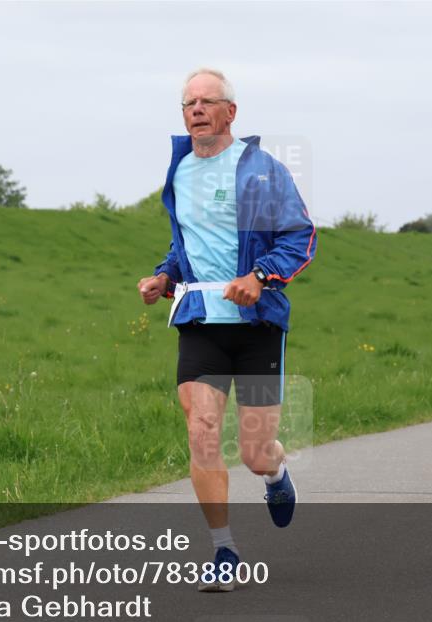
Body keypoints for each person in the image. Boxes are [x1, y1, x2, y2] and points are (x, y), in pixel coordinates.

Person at [137, 68, 316, 591]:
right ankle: (224, 550)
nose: (195, 110)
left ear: (229, 112)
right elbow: (187, 243)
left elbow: (300, 237)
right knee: (202, 430)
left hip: (257, 326)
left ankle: (276, 475)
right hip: (200, 324)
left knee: (256, 451)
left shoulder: (262, 171)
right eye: (187, 103)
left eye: (205, 102)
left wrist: (260, 277)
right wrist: (166, 276)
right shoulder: (180, 171)